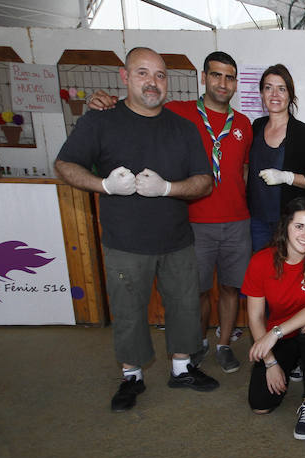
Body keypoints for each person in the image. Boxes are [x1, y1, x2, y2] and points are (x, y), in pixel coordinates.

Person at [55, 47, 218, 411]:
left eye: (160, 75)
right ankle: (132, 377)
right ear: (124, 77)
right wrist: (104, 185)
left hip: (176, 240)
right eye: (143, 73)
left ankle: (181, 368)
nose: (152, 82)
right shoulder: (101, 120)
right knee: (129, 311)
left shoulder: (183, 128)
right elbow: (64, 165)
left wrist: (168, 188)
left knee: (183, 307)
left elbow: (204, 182)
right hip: (125, 242)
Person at [87, 51, 254, 375]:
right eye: (216, 75)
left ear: (235, 83)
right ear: (203, 78)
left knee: (231, 288)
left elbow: (243, 169)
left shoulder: (243, 124)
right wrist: (105, 102)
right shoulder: (178, 112)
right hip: (194, 220)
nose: (223, 83)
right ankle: (198, 343)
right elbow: (141, 104)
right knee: (198, 291)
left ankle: (223, 345)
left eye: (229, 77)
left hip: (236, 220)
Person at [242, 198, 305, 440]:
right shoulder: (261, 261)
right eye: (299, 226)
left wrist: (275, 333)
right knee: (260, 404)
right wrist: (270, 362)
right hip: (282, 337)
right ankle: (294, 363)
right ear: (285, 227)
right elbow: (256, 316)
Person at [248, 64, 305, 252]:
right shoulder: (256, 127)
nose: (274, 95)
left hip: (290, 223)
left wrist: (287, 177)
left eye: (281, 89)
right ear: (261, 94)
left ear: (290, 95)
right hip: (257, 222)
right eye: (268, 88)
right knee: (263, 274)